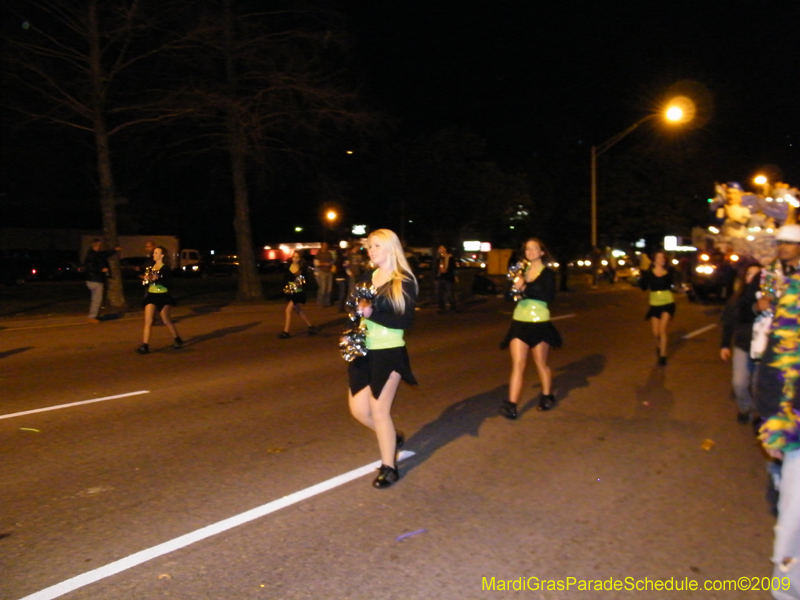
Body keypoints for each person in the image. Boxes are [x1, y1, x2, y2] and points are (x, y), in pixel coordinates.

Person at [347, 229, 418, 488]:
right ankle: (392, 435)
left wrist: (370, 313)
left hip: (389, 349)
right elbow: (355, 309)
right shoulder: (367, 277)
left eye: (376, 246)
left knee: (379, 410)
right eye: (369, 247)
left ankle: (389, 467)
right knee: (358, 410)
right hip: (364, 348)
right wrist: (351, 329)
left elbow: (405, 321)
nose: (371, 251)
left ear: (390, 248)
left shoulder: (404, 280)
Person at [754, 224, 800, 600]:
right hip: (791, 405)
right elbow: (777, 361)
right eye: (781, 243)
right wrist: (772, 420)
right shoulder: (774, 277)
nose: (784, 249)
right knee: (791, 521)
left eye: (790, 244)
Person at [499, 238, 562, 419]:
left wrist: (524, 287)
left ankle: (547, 395)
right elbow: (507, 295)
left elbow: (547, 295)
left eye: (535, 248)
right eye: (527, 249)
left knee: (540, 363)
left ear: (542, 252)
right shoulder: (520, 272)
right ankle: (511, 404)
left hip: (539, 322)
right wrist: (512, 286)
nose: (531, 251)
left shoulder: (548, 273)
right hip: (520, 321)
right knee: (518, 365)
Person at [719, 261, 761, 424]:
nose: (753, 278)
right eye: (750, 274)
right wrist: (724, 345)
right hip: (742, 346)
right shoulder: (737, 298)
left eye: (757, 275)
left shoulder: (769, 299)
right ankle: (745, 408)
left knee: (758, 386)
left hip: (762, 351)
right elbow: (728, 322)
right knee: (739, 384)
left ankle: (758, 413)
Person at [137, 246, 182, 354]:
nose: (154, 254)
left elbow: (168, 283)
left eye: (156, 253)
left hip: (163, 296)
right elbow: (147, 282)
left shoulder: (166, 268)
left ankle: (177, 338)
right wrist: (146, 279)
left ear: (162, 255)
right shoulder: (151, 267)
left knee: (166, 319)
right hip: (152, 295)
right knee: (148, 321)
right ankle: (145, 345)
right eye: (154, 253)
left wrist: (158, 279)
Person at [639, 250, 675, 366]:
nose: (661, 259)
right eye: (658, 257)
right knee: (656, 333)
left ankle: (663, 356)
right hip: (655, 304)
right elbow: (643, 287)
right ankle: (659, 347)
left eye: (662, 258)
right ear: (654, 260)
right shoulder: (649, 273)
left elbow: (672, 285)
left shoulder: (668, 272)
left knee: (662, 329)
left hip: (668, 302)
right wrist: (643, 273)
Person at [279, 251, 317, 338]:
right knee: (298, 310)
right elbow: (285, 279)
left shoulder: (301, 269)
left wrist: (299, 281)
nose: (295, 259)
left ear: (300, 258)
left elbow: (305, 281)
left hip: (298, 292)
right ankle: (310, 326)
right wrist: (286, 287)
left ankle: (286, 331)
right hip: (291, 291)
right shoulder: (289, 266)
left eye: (297, 257)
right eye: (294, 257)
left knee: (288, 310)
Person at [83, 239, 120, 324]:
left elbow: (105, 254)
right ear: (96, 245)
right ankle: (92, 316)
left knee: (96, 298)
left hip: (96, 279)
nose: (101, 247)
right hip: (95, 280)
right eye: (99, 245)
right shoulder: (91, 256)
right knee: (97, 299)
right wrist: (101, 269)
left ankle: (95, 315)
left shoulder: (97, 254)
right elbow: (90, 267)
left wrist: (114, 250)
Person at [434, 244, 458, 313]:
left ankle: (452, 307)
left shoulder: (450, 258)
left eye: (441, 248)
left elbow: (454, 268)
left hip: (448, 278)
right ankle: (442, 307)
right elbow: (436, 269)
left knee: (449, 293)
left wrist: (453, 275)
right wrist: (436, 278)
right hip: (439, 277)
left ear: (445, 249)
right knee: (439, 293)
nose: (439, 249)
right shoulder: (439, 258)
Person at [314, 242, 333, 306]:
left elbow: (331, 261)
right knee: (323, 288)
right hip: (322, 272)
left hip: (329, 271)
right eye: (324, 245)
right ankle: (320, 302)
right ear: (321, 246)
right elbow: (316, 263)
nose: (325, 246)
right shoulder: (319, 254)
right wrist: (325, 264)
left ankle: (327, 302)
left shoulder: (329, 253)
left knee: (329, 288)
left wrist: (331, 264)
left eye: (326, 245)